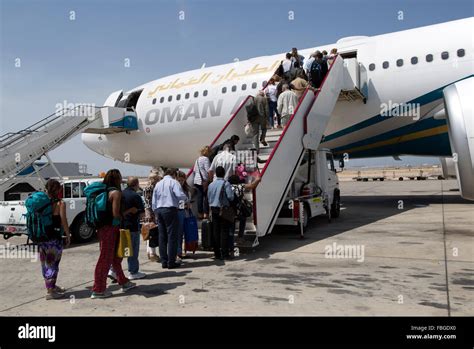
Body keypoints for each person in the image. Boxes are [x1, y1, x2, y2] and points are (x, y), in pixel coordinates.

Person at [91, 169, 136, 299]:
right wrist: (126, 213)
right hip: (110, 228)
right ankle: (98, 289)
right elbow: (116, 213)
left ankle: (123, 282)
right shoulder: (115, 193)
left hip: (103, 228)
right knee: (105, 258)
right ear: (117, 179)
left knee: (115, 258)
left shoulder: (103, 191)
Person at [37, 179, 71, 300]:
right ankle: (50, 292)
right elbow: (63, 220)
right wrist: (68, 234)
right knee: (53, 264)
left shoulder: (42, 203)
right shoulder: (60, 203)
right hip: (54, 239)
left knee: (45, 264)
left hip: (42, 237)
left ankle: (52, 286)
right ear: (57, 189)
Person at [152, 168, 187, 269]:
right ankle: (171, 261)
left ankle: (164, 261)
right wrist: (186, 199)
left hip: (159, 210)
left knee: (162, 236)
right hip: (170, 210)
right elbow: (180, 195)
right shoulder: (173, 182)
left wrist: (155, 211)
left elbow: (154, 200)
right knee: (172, 236)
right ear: (174, 175)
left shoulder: (158, 184)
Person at [121, 176, 146, 280]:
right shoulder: (135, 196)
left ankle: (113, 270)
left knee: (123, 250)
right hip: (132, 227)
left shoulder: (121, 194)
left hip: (121, 226)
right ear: (136, 184)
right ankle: (133, 272)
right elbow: (142, 215)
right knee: (133, 251)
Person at [207, 166, 235, 260]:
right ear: (223, 174)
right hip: (223, 210)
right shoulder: (226, 184)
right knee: (224, 232)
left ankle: (217, 253)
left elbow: (208, 198)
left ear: (216, 174)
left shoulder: (211, 184)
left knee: (216, 231)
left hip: (213, 209)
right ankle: (225, 254)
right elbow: (231, 197)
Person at [227, 175, 261, 248]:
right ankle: (240, 237)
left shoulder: (228, 187)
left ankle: (231, 240)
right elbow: (252, 186)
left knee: (231, 225)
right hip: (239, 210)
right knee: (243, 220)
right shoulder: (240, 186)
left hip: (230, 210)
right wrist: (258, 179)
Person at [143, 170, 161, 262]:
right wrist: (152, 213)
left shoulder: (148, 187)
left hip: (149, 211)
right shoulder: (150, 188)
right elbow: (148, 201)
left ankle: (149, 252)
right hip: (151, 211)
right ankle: (152, 253)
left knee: (149, 232)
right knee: (152, 232)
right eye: (157, 178)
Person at [176, 170, 191, 260]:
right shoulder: (176, 188)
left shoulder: (185, 189)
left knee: (185, 234)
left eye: (182, 180)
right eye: (179, 180)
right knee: (178, 234)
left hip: (186, 214)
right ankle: (178, 252)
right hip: (179, 213)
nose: (181, 182)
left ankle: (182, 251)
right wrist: (185, 205)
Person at [193, 146, 211, 220]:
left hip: (197, 181)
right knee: (206, 198)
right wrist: (209, 179)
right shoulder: (206, 159)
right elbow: (208, 170)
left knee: (199, 198)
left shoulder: (197, 159)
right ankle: (205, 214)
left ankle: (200, 214)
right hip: (204, 181)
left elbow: (194, 170)